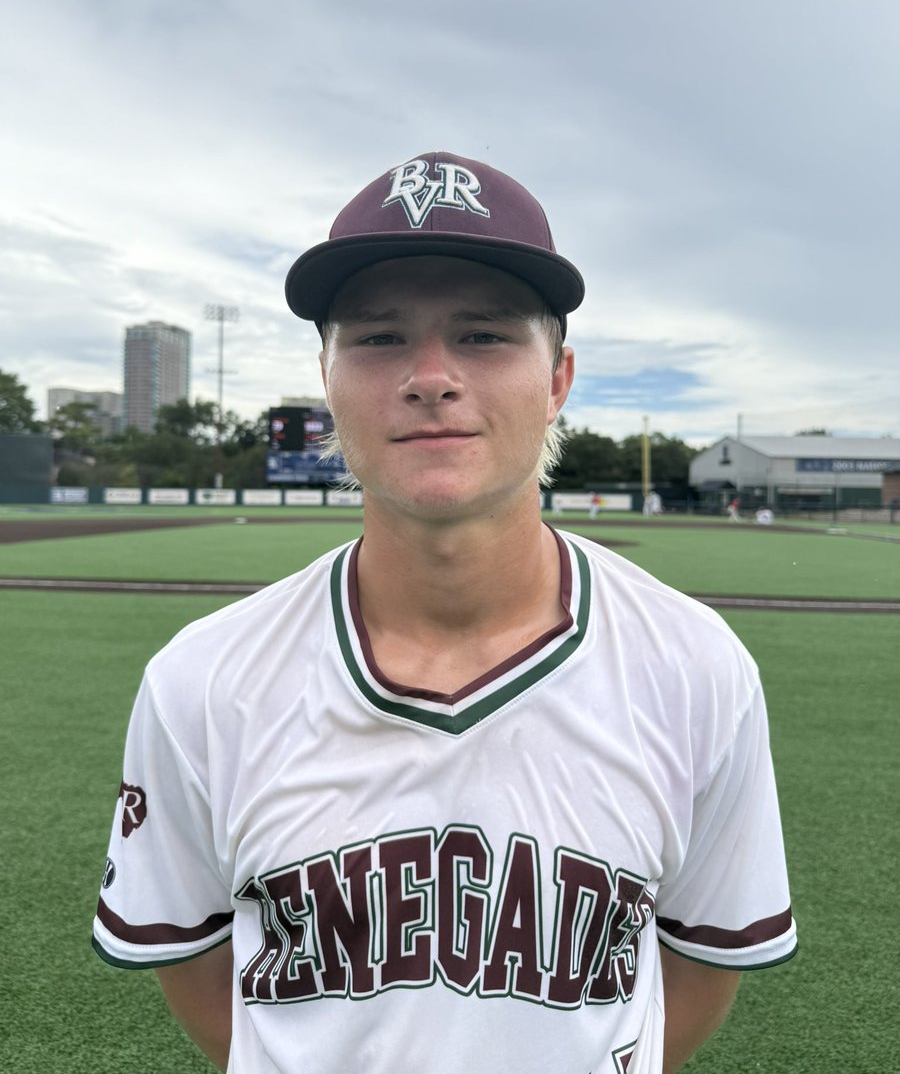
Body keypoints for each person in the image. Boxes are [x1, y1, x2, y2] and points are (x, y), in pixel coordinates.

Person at [92, 152, 797, 1074]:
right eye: (379, 340)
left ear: (558, 381)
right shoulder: (203, 677)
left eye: (484, 336)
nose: (430, 377)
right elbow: (191, 957)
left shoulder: (697, 665)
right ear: (330, 378)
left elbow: (700, 966)